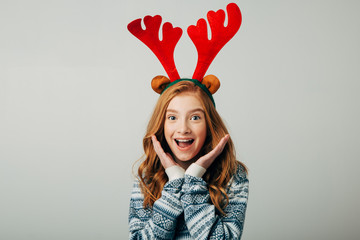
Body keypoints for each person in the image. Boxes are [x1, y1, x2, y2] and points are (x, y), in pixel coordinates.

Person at [128, 80, 249, 239]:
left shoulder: (232, 175)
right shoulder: (147, 176)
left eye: (195, 117)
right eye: (172, 117)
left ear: (209, 124)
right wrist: (175, 184)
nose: (183, 129)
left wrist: (193, 180)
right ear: (161, 124)